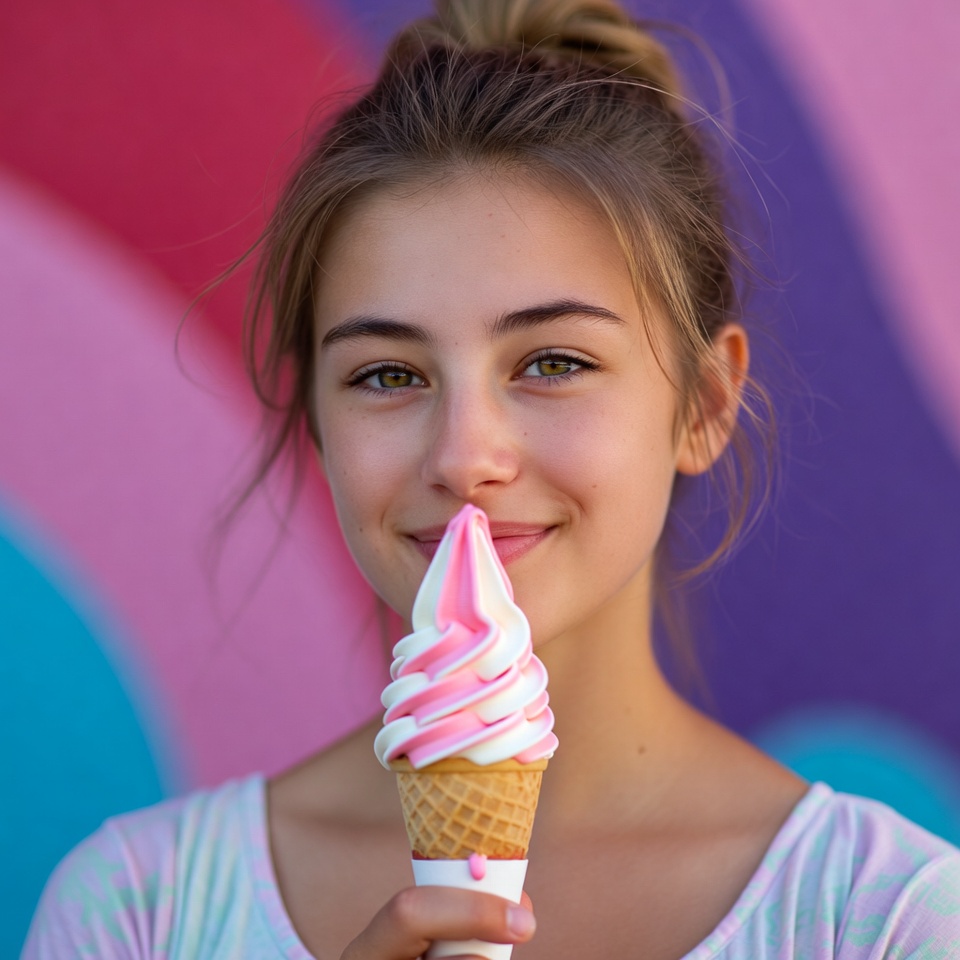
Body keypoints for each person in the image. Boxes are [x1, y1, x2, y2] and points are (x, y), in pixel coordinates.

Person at [22, 1, 960, 957]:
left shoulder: (887, 920)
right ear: (315, 416)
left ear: (705, 403)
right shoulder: (141, 910)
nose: (465, 456)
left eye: (553, 363)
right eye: (387, 376)